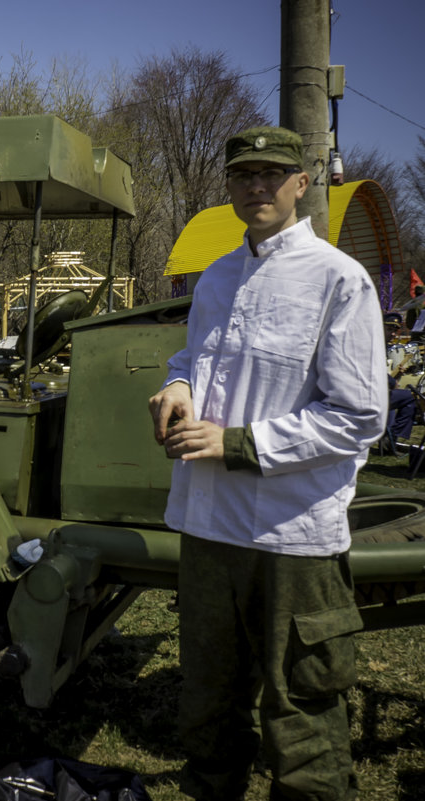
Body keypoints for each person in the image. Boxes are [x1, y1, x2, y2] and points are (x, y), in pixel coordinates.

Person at [148, 126, 387, 801]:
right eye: (244, 174)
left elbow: (359, 415)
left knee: (303, 717)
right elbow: (196, 356)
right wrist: (178, 386)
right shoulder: (220, 276)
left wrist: (238, 444)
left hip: (291, 537)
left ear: (302, 184)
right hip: (208, 528)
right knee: (207, 710)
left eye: (272, 174)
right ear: (228, 185)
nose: (257, 186)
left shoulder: (339, 280)